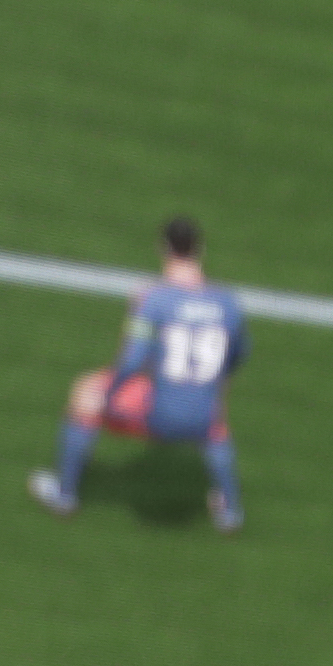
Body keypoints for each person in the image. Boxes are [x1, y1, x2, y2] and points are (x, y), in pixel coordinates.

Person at [31, 219, 246, 530]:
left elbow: (132, 362)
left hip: (158, 417)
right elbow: (238, 354)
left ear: (163, 248)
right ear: (201, 250)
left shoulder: (154, 298)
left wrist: (110, 392)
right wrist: (219, 385)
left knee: (86, 392)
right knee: (214, 419)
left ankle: (64, 495)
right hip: (203, 417)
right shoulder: (227, 302)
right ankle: (230, 512)